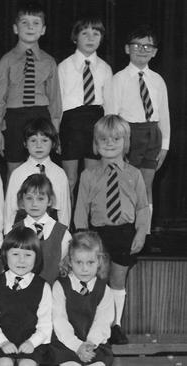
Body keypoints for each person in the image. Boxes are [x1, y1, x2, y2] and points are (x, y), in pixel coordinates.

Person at [74, 114, 149, 345]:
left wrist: (140, 233)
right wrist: (82, 237)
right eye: (103, 139)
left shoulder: (134, 174)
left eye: (116, 139)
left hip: (125, 233)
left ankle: (114, 325)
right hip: (97, 235)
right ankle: (94, 325)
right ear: (96, 144)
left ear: (125, 143)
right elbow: (81, 208)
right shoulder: (88, 175)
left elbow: (143, 207)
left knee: (118, 280)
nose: (109, 143)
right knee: (97, 280)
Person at [105, 24, 169, 225]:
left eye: (148, 46)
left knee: (146, 184)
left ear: (155, 52)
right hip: (128, 134)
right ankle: (126, 226)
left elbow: (164, 115)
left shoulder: (157, 80)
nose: (143, 50)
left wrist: (165, 145)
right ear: (127, 49)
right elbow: (111, 115)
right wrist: (116, 145)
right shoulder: (119, 79)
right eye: (137, 45)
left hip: (152, 133)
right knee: (126, 183)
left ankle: (144, 230)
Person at [0, 0, 61, 177]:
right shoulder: (6, 60)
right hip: (14, 117)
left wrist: (55, 130)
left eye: (36, 23)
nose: (30, 27)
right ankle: (13, 205)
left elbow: (55, 99)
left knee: (40, 167)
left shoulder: (49, 61)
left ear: (43, 29)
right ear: (16, 28)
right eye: (25, 23)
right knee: (13, 168)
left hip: (40, 115)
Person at [0, 226, 52, 366]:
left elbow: (45, 324)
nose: (21, 260)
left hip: (32, 343)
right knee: (4, 363)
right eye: (15, 254)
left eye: (28, 255)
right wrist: (3, 342)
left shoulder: (43, 286)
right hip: (1, 341)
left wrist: (32, 342)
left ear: (36, 256)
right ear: (5, 255)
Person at [57, 17, 112, 200]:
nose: (90, 38)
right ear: (75, 38)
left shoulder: (105, 68)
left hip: (95, 123)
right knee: (70, 180)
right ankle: (66, 225)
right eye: (85, 33)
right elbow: (58, 103)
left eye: (95, 34)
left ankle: (88, 224)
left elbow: (109, 104)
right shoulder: (64, 67)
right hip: (70, 124)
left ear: (101, 38)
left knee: (92, 179)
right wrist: (56, 132)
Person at [50, 231, 114, 366]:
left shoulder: (104, 290)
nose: (85, 269)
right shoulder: (60, 286)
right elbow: (59, 320)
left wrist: (90, 344)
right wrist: (77, 345)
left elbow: (103, 321)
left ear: (99, 262)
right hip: (65, 344)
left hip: (94, 345)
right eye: (79, 262)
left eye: (90, 262)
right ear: (70, 262)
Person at [3, 118, 71, 233]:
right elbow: (10, 209)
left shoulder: (59, 173)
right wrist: (8, 235)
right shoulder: (18, 173)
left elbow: (64, 209)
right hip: (24, 229)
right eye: (33, 141)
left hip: (52, 228)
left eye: (44, 140)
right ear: (25, 143)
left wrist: (64, 235)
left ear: (53, 143)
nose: (38, 146)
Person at [11, 174, 71, 284]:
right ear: (22, 201)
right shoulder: (15, 232)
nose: (34, 204)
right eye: (29, 198)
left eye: (40, 198)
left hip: (53, 293)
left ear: (50, 201)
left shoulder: (63, 234)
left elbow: (67, 270)